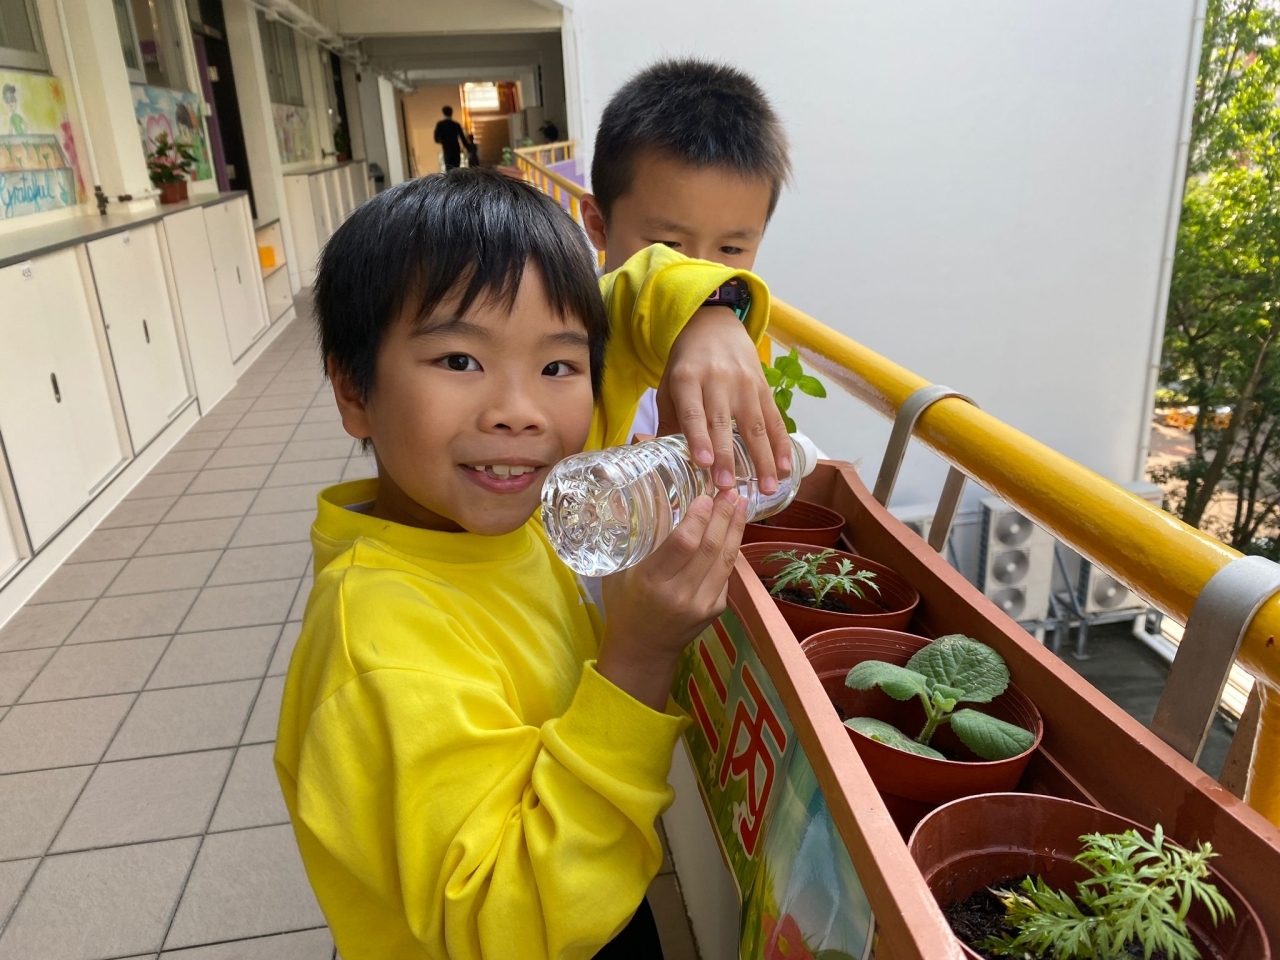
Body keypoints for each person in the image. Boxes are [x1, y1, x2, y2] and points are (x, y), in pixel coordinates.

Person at [275, 168, 791, 959]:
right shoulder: (380, 650)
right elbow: (508, 923)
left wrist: (711, 317)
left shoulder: (524, 492)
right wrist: (640, 659)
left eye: (557, 368)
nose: (519, 412)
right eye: (459, 360)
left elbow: (632, 291)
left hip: (594, 879)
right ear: (353, 390)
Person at [581, 58, 791, 443]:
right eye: (667, 246)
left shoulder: (736, 355)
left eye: (730, 247)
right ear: (598, 225)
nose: (700, 270)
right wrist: (706, 313)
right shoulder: (568, 347)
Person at [433, 105, 466, 170]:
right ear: (451, 113)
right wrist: (469, 149)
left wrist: (443, 141)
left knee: (448, 167)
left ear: (443, 113)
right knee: (456, 167)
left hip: (447, 149)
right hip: (456, 148)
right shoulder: (456, 125)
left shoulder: (440, 125)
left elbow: (436, 138)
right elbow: (463, 138)